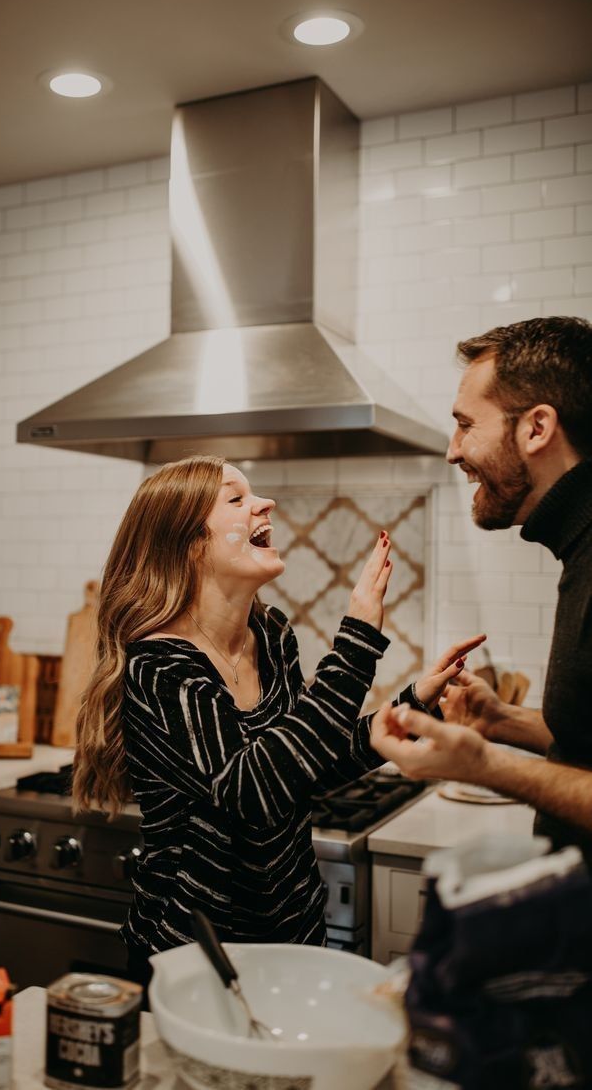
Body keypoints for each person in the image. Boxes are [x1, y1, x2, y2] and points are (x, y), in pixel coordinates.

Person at [73, 455, 483, 985]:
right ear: (189, 543)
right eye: (237, 498)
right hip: (197, 956)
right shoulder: (161, 668)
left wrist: (411, 706)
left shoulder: (270, 635)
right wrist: (357, 642)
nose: (265, 503)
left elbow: (298, 771)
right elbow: (251, 793)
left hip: (293, 935)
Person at [371, 315, 592, 854]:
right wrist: (504, 720)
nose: (452, 451)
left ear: (536, 428)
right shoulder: (577, 545)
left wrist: (486, 766)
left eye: (466, 424)